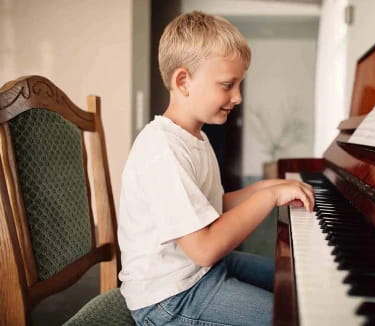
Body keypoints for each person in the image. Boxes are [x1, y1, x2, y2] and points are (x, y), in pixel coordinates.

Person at [117, 11, 314, 326]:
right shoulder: (162, 149)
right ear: (184, 81)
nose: (237, 97)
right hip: (169, 298)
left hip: (201, 273)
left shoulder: (196, 136)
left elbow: (210, 207)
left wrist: (267, 187)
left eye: (239, 85)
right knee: (294, 318)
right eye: (227, 85)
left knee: (300, 283)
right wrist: (268, 199)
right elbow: (205, 248)